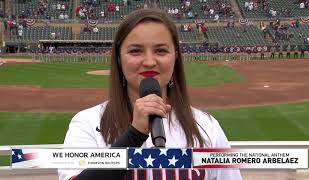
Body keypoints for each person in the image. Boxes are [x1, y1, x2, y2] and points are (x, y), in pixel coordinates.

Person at [58, 8, 242, 180]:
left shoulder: (206, 127)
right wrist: (134, 135)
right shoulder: (88, 124)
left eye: (161, 51)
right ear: (118, 58)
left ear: (175, 57)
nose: (149, 61)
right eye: (135, 51)